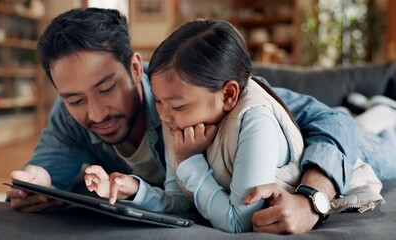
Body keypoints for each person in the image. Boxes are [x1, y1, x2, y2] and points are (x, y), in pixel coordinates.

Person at [7, 8, 362, 234]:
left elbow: (333, 122)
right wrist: (35, 180)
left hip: (361, 150)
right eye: (76, 99)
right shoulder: (69, 116)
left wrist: (312, 199)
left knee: (377, 131)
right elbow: (46, 169)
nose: (96, 113)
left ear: (134, 68)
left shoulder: (197, 93)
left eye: (106, 88)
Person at [85, 19, 384, 233]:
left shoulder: (254, 121)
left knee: (382, 141)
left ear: (228, 95)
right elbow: (180, 200)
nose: (163, 116)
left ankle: (382, 107)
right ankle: (367, 106)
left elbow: (238, 222)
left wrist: (190, 161)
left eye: (176, 106)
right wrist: (134, 190)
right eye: (159, 102)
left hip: (348, 158)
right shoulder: (177, 119)